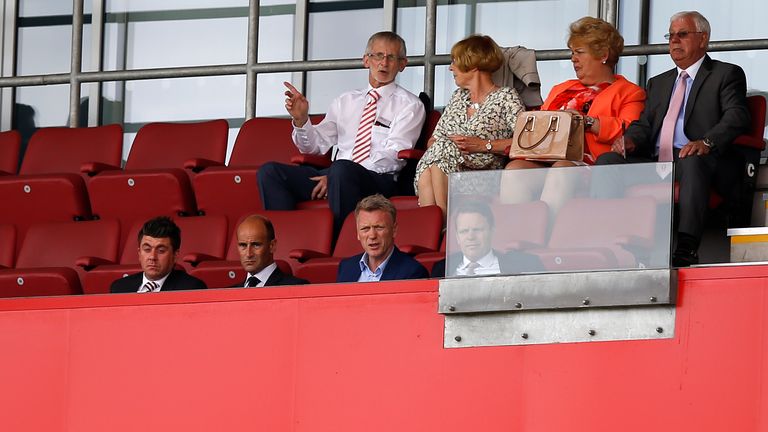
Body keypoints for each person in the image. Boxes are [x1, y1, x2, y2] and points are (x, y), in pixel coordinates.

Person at [595, 11, 751, 267]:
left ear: (703, 39)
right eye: (670, 36)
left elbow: (737, 116)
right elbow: (644, 125)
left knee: (691, 159)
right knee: (607, 162)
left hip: (700, 162)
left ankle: (687, 247)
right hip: (658, 164)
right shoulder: (658, 83)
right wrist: (630, 140)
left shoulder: (726, 74)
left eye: (682, 35)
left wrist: (707, 142)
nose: (674, 41)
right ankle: (613, 243)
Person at [258, 31, 426, 235]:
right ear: (366, 61)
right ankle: (284, 240)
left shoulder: (410, 105)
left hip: (378, 179)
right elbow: (315, 147)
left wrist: (338, 174)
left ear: (402, 64)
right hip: (336, 175)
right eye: (378, 55)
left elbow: (394, 157)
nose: (384, 62)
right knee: (271, 172)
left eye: (392, 57)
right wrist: (301, 120)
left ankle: (342, 243)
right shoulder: (345, 100)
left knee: (341, 170)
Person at [501, 17, 646, 216]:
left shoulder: (629, 92)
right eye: (572, 52)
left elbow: (629, 132)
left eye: (579, 52)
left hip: (591, 166)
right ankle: (514, 238)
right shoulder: (561, 88)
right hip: (546, 158)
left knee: (561, 170)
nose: (572, 58)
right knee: (514, 170)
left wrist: (585, 121)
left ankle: (544, 235)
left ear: (603, 55)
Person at [415, 34, 524, 219]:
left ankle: (440, 224)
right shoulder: (458, 97)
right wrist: (451, 146)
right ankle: (439, 226)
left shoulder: (506, 97)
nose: (451, 68)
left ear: (472, 65)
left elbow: (525, 142)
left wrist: (483, 145)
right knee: (437, 154)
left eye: (455, 62)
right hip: (444, 170)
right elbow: (433, 140)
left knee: (438, 155)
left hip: (482, 175)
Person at [431, 201, 541, 277]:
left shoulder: (523, 264)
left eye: (477, 229)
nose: (470, 237)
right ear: (457, 237)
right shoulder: (441, 269)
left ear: (492, 231)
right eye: (464, 231)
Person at [337, 194, 428, 282]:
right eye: (365, 228)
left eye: (379, 227)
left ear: (394, 230)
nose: (372, 235)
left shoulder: (412, 272)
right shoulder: (346, 268)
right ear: (357, 233)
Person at [110, 216, 207, 293]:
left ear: (175, 255)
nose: (152, 257)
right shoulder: (120, 288)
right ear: (139, 253)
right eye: (147, 249)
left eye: (161, 251)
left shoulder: (190, 288)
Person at [234, 214, 309, 287]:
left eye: (256, 245)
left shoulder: (297, 287)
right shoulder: (228, 293)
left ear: (272, 246)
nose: (248, 254)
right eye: (243, 245)